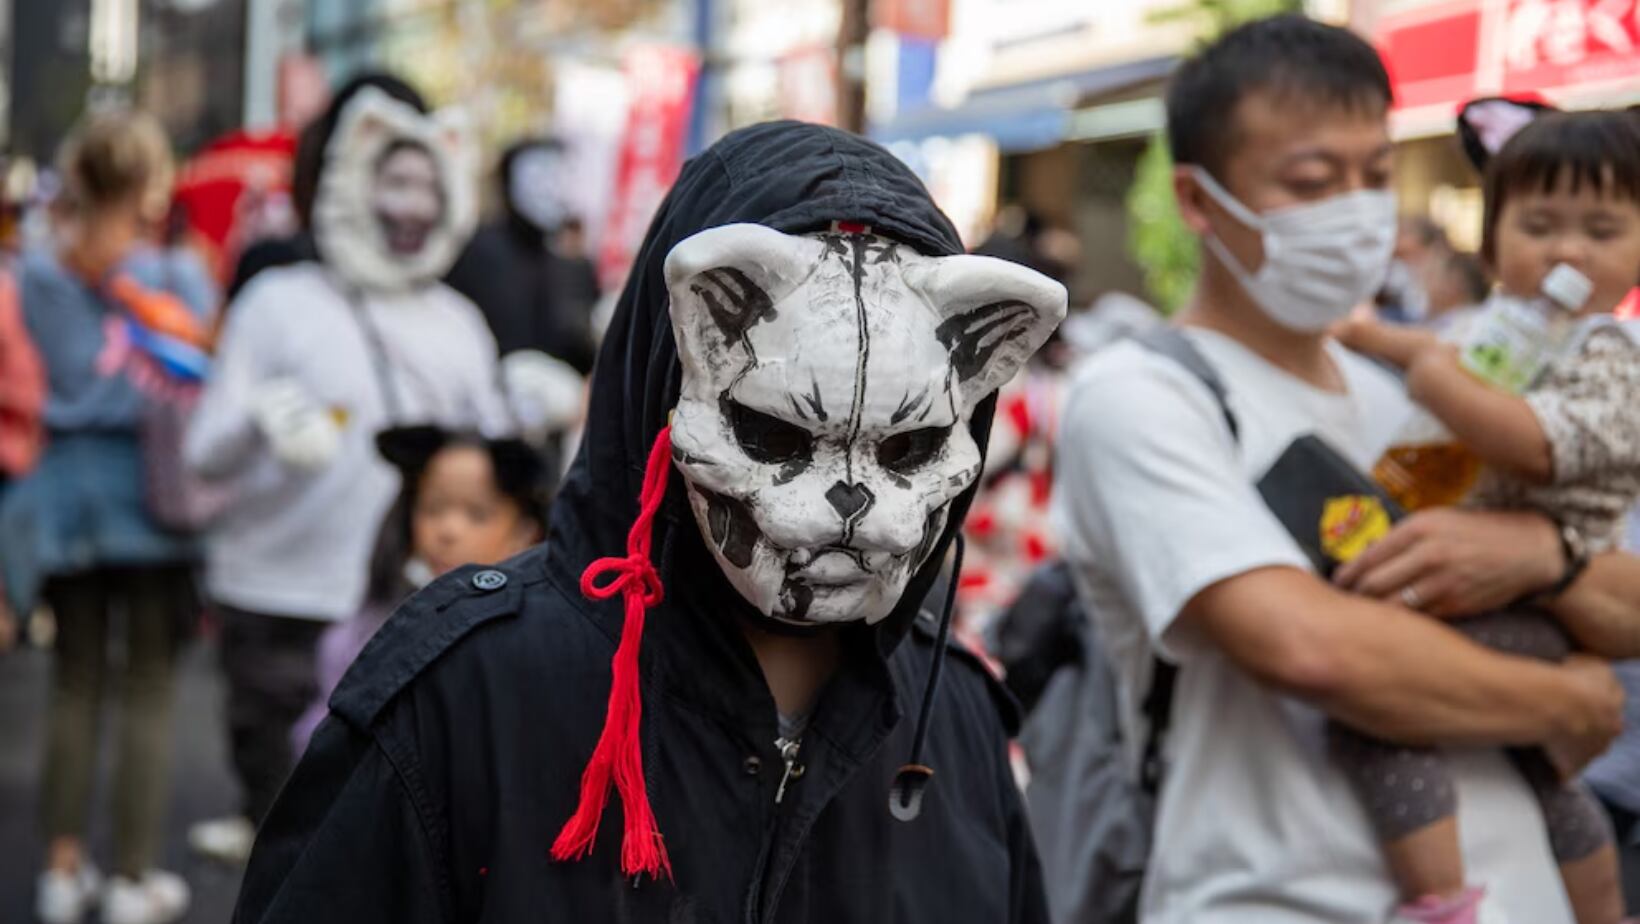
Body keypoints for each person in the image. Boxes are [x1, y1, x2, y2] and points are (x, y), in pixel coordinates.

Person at [231, 120, 1061, 922]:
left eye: (907, 445)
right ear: (668, 376)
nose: (850, 507)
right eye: (775, 434)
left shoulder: (956, 721)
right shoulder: (463, 697)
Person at [1051, 16, 1632, 922]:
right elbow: (1312, 648)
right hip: (1286, 901)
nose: (1358, 211)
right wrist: (1567, 700)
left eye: (1376, 175)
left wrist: (1542, 559)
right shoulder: (1143, 395)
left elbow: (1624, 602)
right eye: (1313, 183)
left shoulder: (1420, 391)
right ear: (1199, 201)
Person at [182, 77, 510, 865]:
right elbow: (203, 450)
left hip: (409, 606)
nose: (412, 205)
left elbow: (495, 465)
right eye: (395, 181)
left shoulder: (460, 324)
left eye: (428, 184)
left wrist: (534, 416)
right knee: (283, 836)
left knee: (384, 839)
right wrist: (258, 420)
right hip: (277, 601)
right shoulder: (274, 303)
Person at [1335, 108, 1640, 923]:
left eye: (1602, 231)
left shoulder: (1612, 355)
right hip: (1490, 591)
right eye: (1539, 226)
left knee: (1382, 714)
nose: (1568, 252)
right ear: (1492, 244)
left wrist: (1436, 382)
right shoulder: (1495, 329)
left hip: (1537, 605)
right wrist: (1364, 335)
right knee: (1543, 778)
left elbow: (1536, 445)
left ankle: (1442, 903)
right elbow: (1429, 349)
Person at [0, 110, 214, 924]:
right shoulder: (177, 276)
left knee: (74, 678)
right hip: (155, 496)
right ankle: (130, 878)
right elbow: (204, 374)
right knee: (149, 686)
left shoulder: (38, 277)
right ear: (149, 183)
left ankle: (60, 873)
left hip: (63, 497)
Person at [288, 425, 549, 755]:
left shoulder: (538, 641)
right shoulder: (367, 627)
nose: (448, 530)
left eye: (477, 514)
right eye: (433, 508)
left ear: (526, 531)